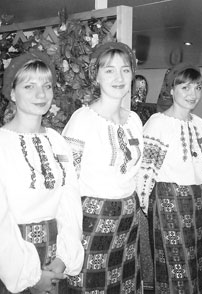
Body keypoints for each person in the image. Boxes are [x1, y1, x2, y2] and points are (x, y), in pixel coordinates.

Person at [0, 50, 84, 294]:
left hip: (54, 253)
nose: (41, 94)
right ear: (12, 93)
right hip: (10, 260)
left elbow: (70, 200)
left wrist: (64, 258)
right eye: (29, 86)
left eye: (47, 86)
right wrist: (29, 275)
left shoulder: (57, 140)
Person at [62, 42, 143, 293]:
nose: (119, 77)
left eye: (125, 70)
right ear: (95, 75)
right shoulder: (82, 120)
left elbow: (136, 172)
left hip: (129, 220)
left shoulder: (134, 120)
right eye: (109, 70)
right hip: (93, 221)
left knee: (124, 285)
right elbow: (67, 181)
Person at [136, 63, 202, 293]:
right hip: (168, 201)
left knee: (195, 260)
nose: (192, 94)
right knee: (174, 265)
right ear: (172, 89)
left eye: (197, 87)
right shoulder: (158, 123)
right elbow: (145, 171)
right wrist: (149, 208)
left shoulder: (200, 124)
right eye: (185, 87)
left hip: (196, 201)